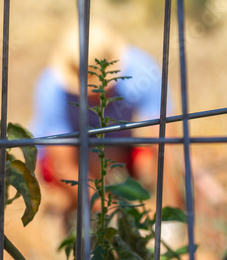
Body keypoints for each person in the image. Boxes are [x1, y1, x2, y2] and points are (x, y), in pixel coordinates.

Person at [29, 21, 183, 229]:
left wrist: (172, 211)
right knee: (96, 162)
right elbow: (64, 164)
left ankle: (134, 208)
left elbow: (164, 143)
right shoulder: (52, 89)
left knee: (149, 162)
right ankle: (78, 214)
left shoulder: (141, 69)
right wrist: (108, 214)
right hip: (66, 160)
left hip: (117, 148)